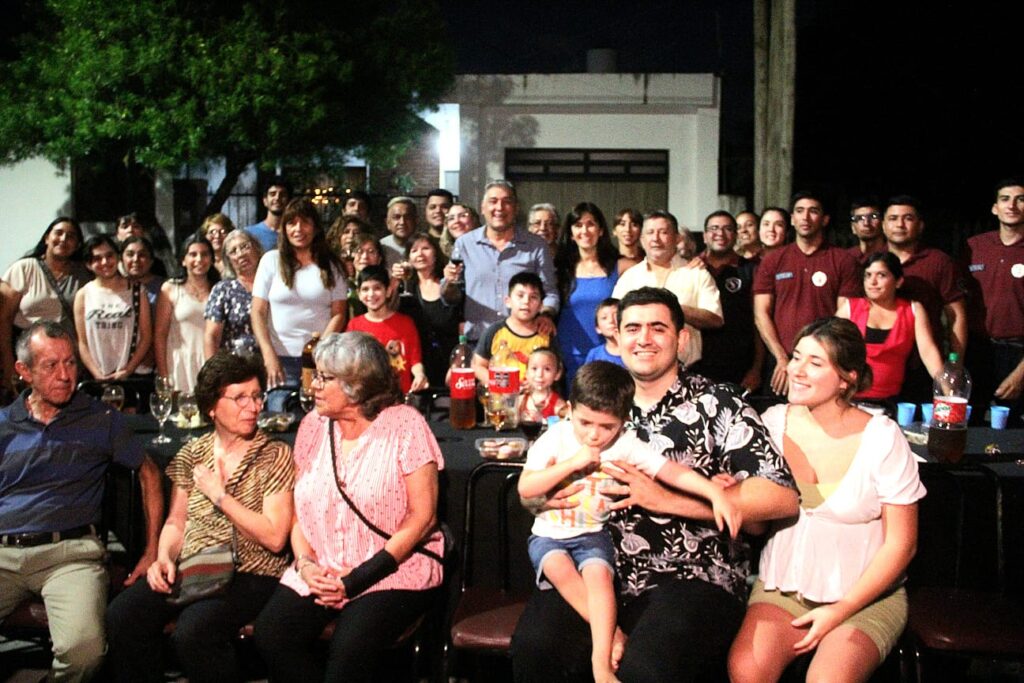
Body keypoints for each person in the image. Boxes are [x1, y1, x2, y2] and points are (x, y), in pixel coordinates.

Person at [510, 287, 799, 682]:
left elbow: (779, 497)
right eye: (632, 328)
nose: (643, 338)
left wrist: (667, 500)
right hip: (594, 565)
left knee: (648, 668)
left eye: (657, 328)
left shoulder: (719, 402)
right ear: (616, 336)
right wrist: (540, 501)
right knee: (538, 648)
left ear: (681, 338)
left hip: (690, 574)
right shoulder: (596, 402)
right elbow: (535, 483)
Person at [518, 360, 742, 683]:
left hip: (592, 534)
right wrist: (570, 464)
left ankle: (601, 666)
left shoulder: (624, 444)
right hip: (550, 535)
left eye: (606, 427)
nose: (594, 434)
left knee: (599, 580)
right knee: (561, 572)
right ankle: (613, 636)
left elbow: (669, 471)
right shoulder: (556, 439)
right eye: (585, 422)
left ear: (623, 423)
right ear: (569, 410)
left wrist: (712, 491)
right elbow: (527, 487)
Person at [728, 317, 924, 683]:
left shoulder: (882, 437)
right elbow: (756, 527)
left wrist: (840, 610)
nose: (796, 370)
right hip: (783, 588)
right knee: (747, 670)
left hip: (864, 598)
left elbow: (903, 544)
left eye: (815, 363)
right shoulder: (770, 424)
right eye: (796, 357)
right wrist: (737, 495)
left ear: (847, 378)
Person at [252, 331, 445, 682]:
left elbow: (423, 516)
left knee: (349, 650)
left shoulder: (405, 425)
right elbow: (300, 510)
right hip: (322, 565)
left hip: (391, 569)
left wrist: (358, 579)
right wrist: (306, 565)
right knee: (272, 634)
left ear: (357, 386)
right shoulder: (312, 425)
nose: (314, 385)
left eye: (325, 378)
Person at [105, 352, 294, 683]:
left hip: (250, 571)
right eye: (239, 398)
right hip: (194, 565)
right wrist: (164, 557)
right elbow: (176, 522)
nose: (253, 406)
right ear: (211, 407)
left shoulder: (274, 455)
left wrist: (220, 496)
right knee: (122, 615)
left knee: (194, 632)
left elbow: (275, 537)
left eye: (256, 396)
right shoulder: (193, 454)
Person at [0, 321, 162, 680]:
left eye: (71, 363)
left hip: (69, 555)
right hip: (3, 553)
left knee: (84, 651)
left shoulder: (101, 418)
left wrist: (151, 551)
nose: (65, 375)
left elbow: (150, 474)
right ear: (23, 371)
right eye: (51, 365)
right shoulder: (3, 424)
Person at [753, 192, 861, 395]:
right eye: (799, 211)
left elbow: (844, 317)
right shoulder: (773, 260)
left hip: (824, 362)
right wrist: (783, 358)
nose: (805, 217)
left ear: (825, 219)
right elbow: (761, 313)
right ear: (792, 219)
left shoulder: (843, 260)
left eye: (813, 211)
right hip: (780, 363)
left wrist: (816, 358)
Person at [251, 198, 347, 403]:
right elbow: (257, 311)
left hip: (319, 362)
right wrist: (268, 355)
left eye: (305, 222)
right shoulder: (270, 261)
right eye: (291, 223)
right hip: (278, 361)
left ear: (315, 227)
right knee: (278, 420)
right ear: (284, 228)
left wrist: (318, 351)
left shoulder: (332, 266)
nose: (298, 229)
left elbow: (339, 313)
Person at [445, 180, 559, 343]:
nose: (499, 207)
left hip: (523, 341)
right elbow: (450, 298)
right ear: (482, 208)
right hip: (478, 341)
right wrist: (449, 283)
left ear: (516, 208)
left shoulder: (536, 245)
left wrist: (546, 315)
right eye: (493, 201)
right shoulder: (465, 244)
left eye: (507, 202)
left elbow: (550, 292)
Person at [883, 195, 967, 403]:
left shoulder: (939, 262)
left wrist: (955, 365)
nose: (899, 224)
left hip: (925, 365)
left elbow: (956, 316)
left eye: (907, 218)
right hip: (882, 363)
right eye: (893, 218)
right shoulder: (872, 263)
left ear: (920, 225)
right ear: (883, 225)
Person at [612, 210, 723, 367]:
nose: (656, 239)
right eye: (650, 233)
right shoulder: (630, 277)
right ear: (642, 239)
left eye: (663, 232)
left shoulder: (696, 273)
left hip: (688, 369)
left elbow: (716, 319)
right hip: (638, 369)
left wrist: (673, 308)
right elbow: (615, 318)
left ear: (677, 238)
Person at [836, 252, 944, 407]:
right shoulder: (849, 308)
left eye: (881, 275)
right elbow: (828, 349)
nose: (872, 282)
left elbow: (928, 352)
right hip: (848, 400)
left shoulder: (913, 310)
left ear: (898, 281)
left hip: (892, 402)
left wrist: (948, 392)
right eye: (868, 275)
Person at [1, 217, 91, 393]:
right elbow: (3, 320)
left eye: (71, 236)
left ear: (78, 244)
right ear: (47, 238)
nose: (64, 239)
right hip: (29, 359)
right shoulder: (24, 268)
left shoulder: (84, 274)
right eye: (58, 233)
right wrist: (8, 365)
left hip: (69, 361)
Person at [963, 177, 1024, 426]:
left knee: (1014, 430)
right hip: (978, 350)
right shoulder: (975, 246)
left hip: (1019, 354)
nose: (1012, 205)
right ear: (995, 207)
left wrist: (1022, 374)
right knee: (970, 423)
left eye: (1021, 199)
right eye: (1005, 199)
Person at [694, 210, 763, 390]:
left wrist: (756, 369)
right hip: (696, 368)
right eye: (714, 228)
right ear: (705, 236)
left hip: (739, 369)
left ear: (735, 235)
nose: (720, 234)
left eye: (727, 229)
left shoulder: (751, 270)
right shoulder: (690, 269)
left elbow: (759, 323)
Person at [555, 202, 620, 384]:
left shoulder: (620, 266)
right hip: (570, 353)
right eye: (578, 225)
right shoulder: (559, 268)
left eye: (590, 224)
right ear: (571, 234)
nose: (585, 230)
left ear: (600, 230)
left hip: (610, 352)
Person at [74, 235, 152, 382]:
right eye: (97, 258)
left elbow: (147, 336)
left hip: (132, 375)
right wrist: (97, 374)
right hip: (97, 376)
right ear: (88, 264)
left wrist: (127, 370)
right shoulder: (83, 294)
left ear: (118, 257)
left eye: (109, 256)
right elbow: (82, 343)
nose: (105, 262)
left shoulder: (136, 290)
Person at [391, 232, 462, 388]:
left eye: (425, 248)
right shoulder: (407, 290)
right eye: (414, 250)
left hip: (450, 363)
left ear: (435, 254)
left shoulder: (450, 286)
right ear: (408, 259)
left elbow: (463, 330)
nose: (420, 254)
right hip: (416, 365)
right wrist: (394, 282)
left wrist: (457, 364)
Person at [346, 265, 428, 394]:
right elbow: (349, 364)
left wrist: (420, 375)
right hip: (366, 398)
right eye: (365, 289)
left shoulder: (405, 323)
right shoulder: (354, 326)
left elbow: (415, 361)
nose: (371, 294)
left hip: (399, 397)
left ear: (388, 291)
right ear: (359, 294)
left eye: (377, 288)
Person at [155, 235, 219, 394]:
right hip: (178, 366)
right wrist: (164, 375)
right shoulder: (170, 289)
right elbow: (160, 335)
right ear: (183, 260)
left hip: (211, 364)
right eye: (193, 254)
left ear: (211, 259)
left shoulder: (220, 290)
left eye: (205, 254)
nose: (199, 259)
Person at [471, 272, 551, 384]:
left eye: (533, 297)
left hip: (535, 398)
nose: (526, 301)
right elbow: (477, 366)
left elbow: (554, 369)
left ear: (540, 306)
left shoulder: (545, 334)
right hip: (499, 397)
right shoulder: (494, 332)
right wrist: (501, 383)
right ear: (508, 301)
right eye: (520, 295)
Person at [204, 230, 264, 358]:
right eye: (233, 251)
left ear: (257, 249)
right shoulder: (223, 290)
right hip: (237, 366)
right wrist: (213, 373)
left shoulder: (274, 284)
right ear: (228, 260)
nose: (240, 254)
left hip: (277, 363)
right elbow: (211, 337)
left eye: (245, 247)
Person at [518, 347, 567, 423]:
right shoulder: (520, 401)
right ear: (526, 373)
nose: (539, 374)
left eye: (547, 369)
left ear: (557, 374)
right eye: (534, 368)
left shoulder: (559, 406)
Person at [244, 177, 292, 253]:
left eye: (282, 194)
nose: (277, 198)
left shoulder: (295, 234)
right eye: (273, 194)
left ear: (289, 201)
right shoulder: (249, 234)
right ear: (265, 201)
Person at [583, 297, 624, 367]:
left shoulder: (635, 351)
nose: (611, 320)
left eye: (616, 315)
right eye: (604, 318)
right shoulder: (594, 354)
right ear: (598, 328)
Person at [380, 196, 418, 269]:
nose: (402, 222)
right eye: (396, 217)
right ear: (388, 223)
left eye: (407, 217)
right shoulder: (380, 247)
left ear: (416, 220)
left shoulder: (426, 246)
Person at [847, 197, 885, 266]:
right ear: (853, 227)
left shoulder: (895, 254)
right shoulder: (846, 258)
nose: (866, 223)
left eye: (873, 216)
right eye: (859, 218)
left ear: (883, 223)